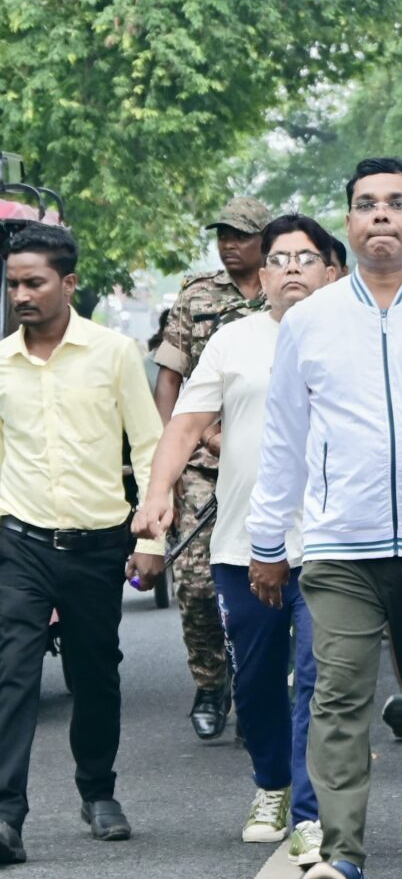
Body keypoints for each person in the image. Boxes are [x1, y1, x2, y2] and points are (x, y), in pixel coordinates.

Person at [247, 158, 402, 879]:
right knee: (339, 695)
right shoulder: (311, 319)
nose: (380, 216)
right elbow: (283, 435)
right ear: (349, 225)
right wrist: (266, 539)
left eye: (395, 204)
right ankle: (343, 854)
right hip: (340, 545)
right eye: (365, 205)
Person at [134, 215, 336, 861]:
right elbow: (186, 424)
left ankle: (311, 809)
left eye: (307, 257)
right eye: (280, 259)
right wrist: (157, 493)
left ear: (333, 271)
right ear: (262, 277)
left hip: (335, 543)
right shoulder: (232, 341)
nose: (293, 269)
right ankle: (271, 784)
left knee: (317, 678)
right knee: (253, 680)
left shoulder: (355, 338)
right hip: (244, 542)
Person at [0, 223, 165, 862]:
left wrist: (151, 536)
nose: (21, 294)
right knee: (11, 672)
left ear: (68, 283)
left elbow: (149, 445)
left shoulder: (115, 353)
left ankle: (98, 791)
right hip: (20, 542)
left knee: (93, 672)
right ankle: (7, 815)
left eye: (34, 282)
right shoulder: (3, 365)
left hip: (97, 544)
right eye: (13, 283)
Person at [154, 196, 271, 740]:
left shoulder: (287, 290)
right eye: (223, 234)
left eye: (241, 235)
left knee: (269, 579)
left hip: (268, 457)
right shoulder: (197, 295)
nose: (229, 244)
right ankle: (209, 680)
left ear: (264, 240)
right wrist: (169, 464)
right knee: (198, 582)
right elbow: (170, 379)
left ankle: (260, 688)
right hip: (202, 461)